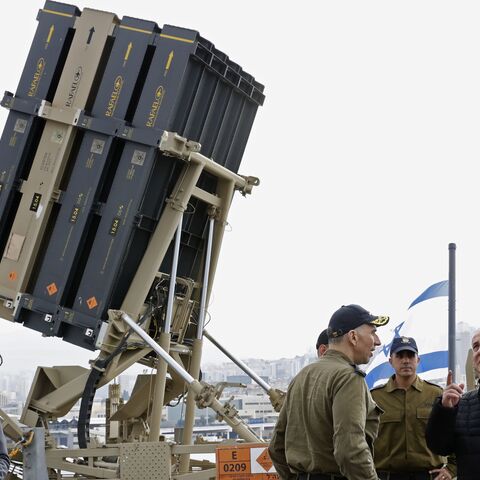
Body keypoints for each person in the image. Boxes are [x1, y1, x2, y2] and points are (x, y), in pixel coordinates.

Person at [269, 304, 389, 480]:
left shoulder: (303, 376)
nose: (377, 341)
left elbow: (277, 447)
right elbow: (350, 450)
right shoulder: (348, 378)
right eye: (372, 332)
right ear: (353, 337)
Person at [371, 336, 455, 480]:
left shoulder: (437, 394)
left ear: (418, 360)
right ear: (390, 361)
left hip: (429, 475)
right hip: (387, 475)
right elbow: (362, 439)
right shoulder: (375, 397)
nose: (405, 360)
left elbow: (455, 432)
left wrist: (452, 468)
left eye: (410, 355)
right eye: (400, 356)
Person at [426, 329, 480, 480]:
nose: (479, 351)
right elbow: (440, 447)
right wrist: (445, 410)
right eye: (476, 346)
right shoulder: (464, 404)